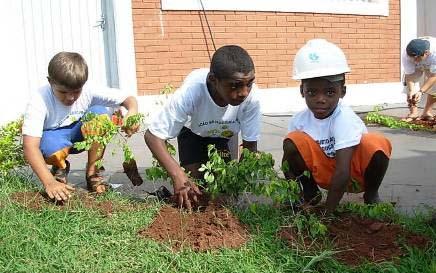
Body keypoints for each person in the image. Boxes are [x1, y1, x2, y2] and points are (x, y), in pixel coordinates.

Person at [144, 45, 261, 210]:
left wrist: (236, 182)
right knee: (194, 193)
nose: (244, 92)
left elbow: (250, 147)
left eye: (249, 83)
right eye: (235, 85)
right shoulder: (191, 93)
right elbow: (153, 136)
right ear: (213, 79)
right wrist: (178, 175)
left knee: (222, 197)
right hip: (193, 131)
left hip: (224, 134)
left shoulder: (252, 98)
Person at [282, 39, 392, 213]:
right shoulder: (299, 120)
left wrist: (327, 215)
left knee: (376, 143)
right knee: (292, 141)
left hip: (352, 175)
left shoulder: (344, 118)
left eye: (330, 92)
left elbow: (342, 171)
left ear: (343, 91)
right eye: (312, 92)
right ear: (302, 91)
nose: (321, 99)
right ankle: (310, 194)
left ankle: (371, 194)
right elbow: (287, 162)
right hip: (322, 173)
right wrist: (292, 196)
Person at [22, 52, 139, 201]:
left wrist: (132, 112)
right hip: (56, 140)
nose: (70, 97)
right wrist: (48, 182)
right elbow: (30, 146)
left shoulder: (89, 89)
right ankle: (60, 168)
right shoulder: (39, 100)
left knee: (100, 115)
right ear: (50, 82)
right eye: (63, 92)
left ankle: (92, 172)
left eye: (76, 92)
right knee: (47, 146)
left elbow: (128, 99)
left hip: (81, 135)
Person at [402, 37, 436, 122]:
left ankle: (427, 112)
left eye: (416, 58)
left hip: (431, 64)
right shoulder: (406, 55)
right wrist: (411, 91)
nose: (414, 60)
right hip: (420, 64)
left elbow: (433, 76)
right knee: (410, 87)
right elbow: (409, 76)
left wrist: (421, 91)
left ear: (426, 53)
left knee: (434, 85)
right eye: (411, 58)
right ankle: (413, 113)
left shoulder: (434, 53)